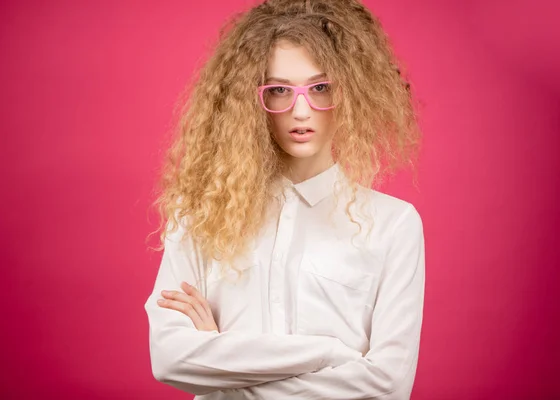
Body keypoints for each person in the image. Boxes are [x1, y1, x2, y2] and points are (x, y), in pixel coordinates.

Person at [144, 0, 425, 399]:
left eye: (320, 87)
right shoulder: (198, 215)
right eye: (278, 90)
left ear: (353, 92)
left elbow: (388, 386)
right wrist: (330, 354)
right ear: (248, 99)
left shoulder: (394, 225)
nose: (300, 109)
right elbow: (171, 359)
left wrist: (223, 363)